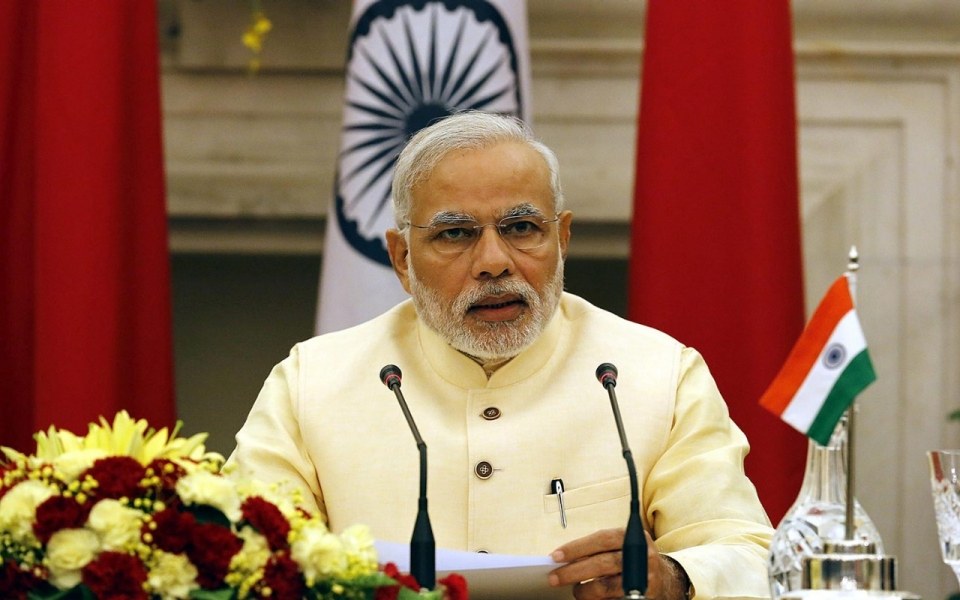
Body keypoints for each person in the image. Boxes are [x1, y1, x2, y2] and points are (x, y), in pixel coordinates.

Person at [228, 111, 774, 599]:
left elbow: (750, 554)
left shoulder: (658, 374)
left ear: (561, 239)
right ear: (401, 258)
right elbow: (240, 557)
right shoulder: (311, 383)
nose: (494, 262)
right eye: (455, 234)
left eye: (520, 228)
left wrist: (675, 580)